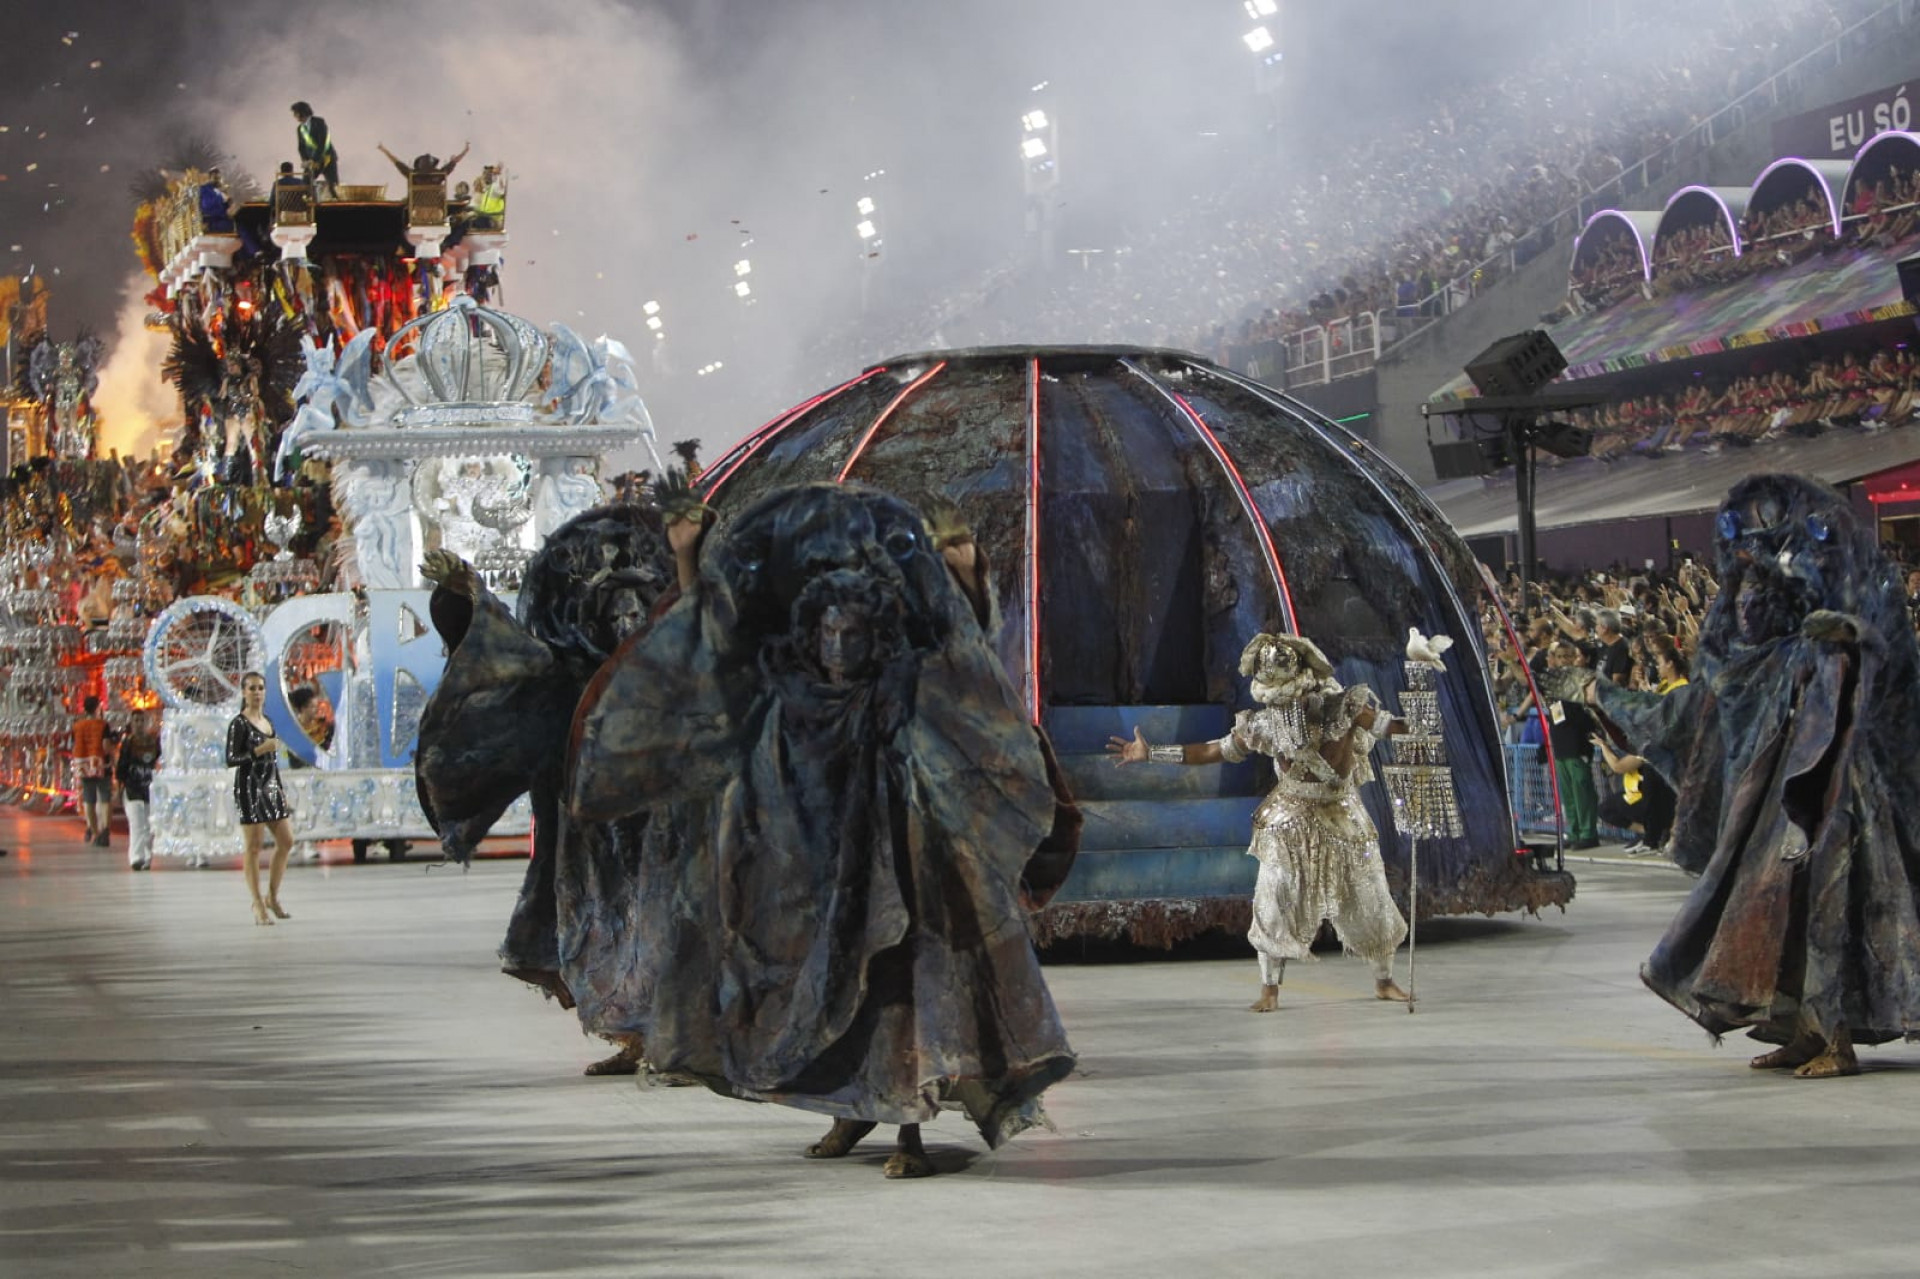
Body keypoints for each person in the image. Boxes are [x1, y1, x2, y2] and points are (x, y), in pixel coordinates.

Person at [1109, 633, 1412, 1010]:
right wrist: (1151, 752)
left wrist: (1419, 720)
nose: (1286, 705)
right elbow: (1213, 750)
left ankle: (1384, 979)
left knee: (1371, 892)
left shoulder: (1345, 707)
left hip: (1343, 813)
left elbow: (1387, 726)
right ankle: (1269, 988)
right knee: (1273, 899)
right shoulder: (1262, 724)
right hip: (1288, 820)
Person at [226, 673, 294, 926]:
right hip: (249, 787)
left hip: (271, 786)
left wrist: (280, 789)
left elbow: (274, 761)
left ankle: (272, 896)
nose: (257, 692)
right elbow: (232, 758)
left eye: (261, 688)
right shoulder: (239, 724)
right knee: (253, 847)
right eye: (252, 688)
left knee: (286, 841)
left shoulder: (268, 721)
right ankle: (256, 902)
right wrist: (258, 750)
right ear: (244, 692)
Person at [1543, 640, 1600, 849]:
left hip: (1578, 742)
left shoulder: (1582, 680)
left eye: (1569, 656)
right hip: (1560, 742)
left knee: (1582, 788)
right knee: (1568, 792)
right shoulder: (1553, 683)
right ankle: (1573, 832)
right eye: (1560, 656)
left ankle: (1588, 833)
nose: (1565, 660)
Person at [115, 710, 160, 871]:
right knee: (136, 824)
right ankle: (136, 857)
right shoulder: (127, 743)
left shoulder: (154, 742)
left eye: (142, 720)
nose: (139, 724)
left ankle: (147, 857)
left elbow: (159, 762)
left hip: (149, 789)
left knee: (149, 826)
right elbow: (121, 767)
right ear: (132, 723)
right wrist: (121, 785)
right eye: (136, 721)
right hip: (132, 789)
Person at [71, 696, 113, 848]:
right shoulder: (103, 725)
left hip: (83, 764)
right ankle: (105, 830)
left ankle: (94, 832)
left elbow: (74, 744)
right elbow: (106, 745)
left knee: (89, 799)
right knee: (105, 798)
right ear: (97, 708)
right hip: (100, 763)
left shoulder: (77, 725)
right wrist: (112, 755)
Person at [290, 101, 338, 197]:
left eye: (295, 113)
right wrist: (306, 161)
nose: (294, 115)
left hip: (327, 159)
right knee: (305, 184)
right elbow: (301, 148)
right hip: (312, 162)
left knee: (334, 187)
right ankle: (311, 206)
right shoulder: (300, 129)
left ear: (301, 112)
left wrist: (314, 160)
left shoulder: (319, 122)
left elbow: (322, 143)